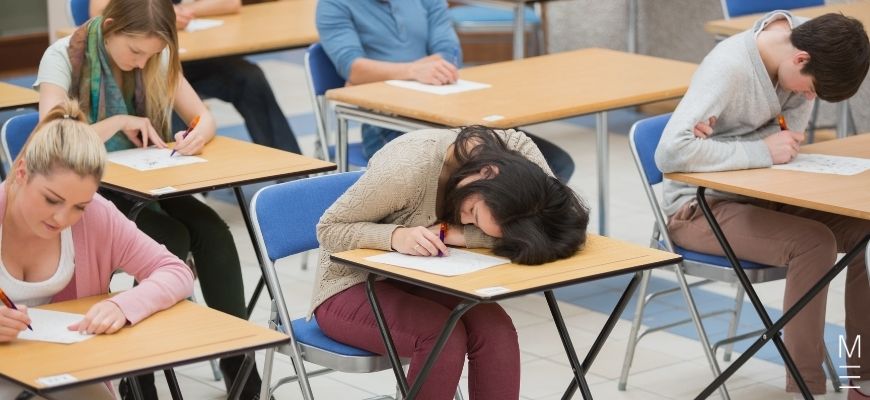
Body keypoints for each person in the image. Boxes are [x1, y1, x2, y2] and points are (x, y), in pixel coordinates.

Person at [34, 0, 266, 398]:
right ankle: (141, 380)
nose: (143, 63)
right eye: (135, 52)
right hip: (89, 192)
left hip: (147, 182)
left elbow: (202, 116)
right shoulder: (62, 57)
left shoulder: (154, 56)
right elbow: (50, 138)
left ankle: (242, 371)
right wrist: (119, 123)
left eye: (153, 54)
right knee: (169, 238)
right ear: (108, 28)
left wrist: (197, 133)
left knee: (214, 232)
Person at [654, 11, 870, 400]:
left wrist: (720, 146)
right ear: (800, 59)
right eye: (811, 90)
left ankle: (863, 375)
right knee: (814, 243)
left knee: (863, 234)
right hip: (698, 209)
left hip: (764, 195)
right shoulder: (730, 66)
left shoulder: (810, 39)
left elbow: (788, 141)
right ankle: (805, 386)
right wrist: (758, 147)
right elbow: (670, 153)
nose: (809, 99)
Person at [311, 126, 589, 399]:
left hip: (421, 277)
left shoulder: (517, 154)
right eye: (471, 213)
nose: (466, 220)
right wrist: (395, 236)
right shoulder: (408, 169)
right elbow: (329, 229)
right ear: (487, 172)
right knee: (442, 338)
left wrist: (463, 235)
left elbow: (557, 229)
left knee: (496, 330)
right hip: (350, 284)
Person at [0, 100, 194, 400]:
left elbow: (174, 270)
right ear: (22, 173)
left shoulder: (96, 216)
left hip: (63, 372)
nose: (62, 218)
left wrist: (123, 305)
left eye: (79, 206)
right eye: (51, 199)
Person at [316, 0, 576, 183]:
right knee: (494, 169)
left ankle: (524, 235)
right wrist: (414, 70)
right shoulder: (334, 4)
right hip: (388, 124)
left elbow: (449, 49)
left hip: (452, 113)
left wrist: (436, 67)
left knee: (553, 162)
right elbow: (353, 68)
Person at [90, 0, 304, 155]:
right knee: (167, 103)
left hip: (178, 53)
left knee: (250, 78)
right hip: (148, 57)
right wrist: (159, 16)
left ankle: (293, 177)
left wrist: (182, 12)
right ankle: (175, 181)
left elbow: (230, 3)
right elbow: (98, 10)